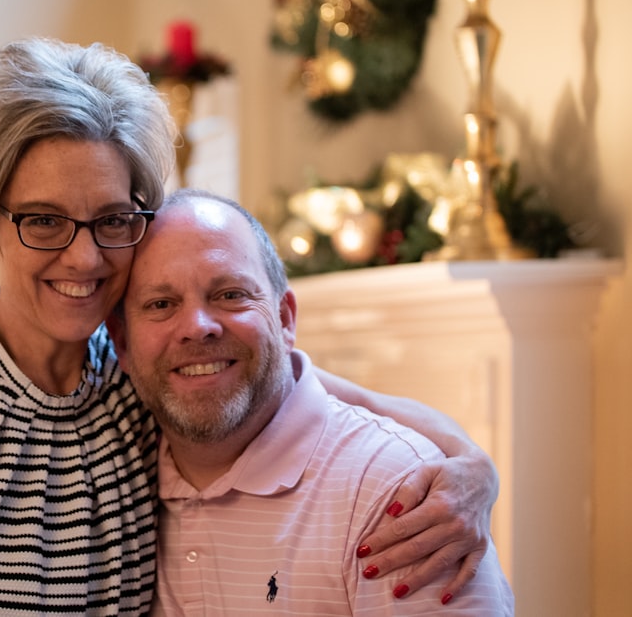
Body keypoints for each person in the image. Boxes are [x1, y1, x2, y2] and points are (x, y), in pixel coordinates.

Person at [0, 38, 497, 616]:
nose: (84, 255)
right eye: (44, 220)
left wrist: (472, 470)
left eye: (113, 220)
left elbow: (314, 394)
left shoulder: (138, 370)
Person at [107, 188, 514, 615]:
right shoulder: (119, 466)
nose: (198, 326)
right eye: (160, 304)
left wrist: (472, 460)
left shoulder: (401, 496)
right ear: (121, 344)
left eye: (230, 294)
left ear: (284, 319)